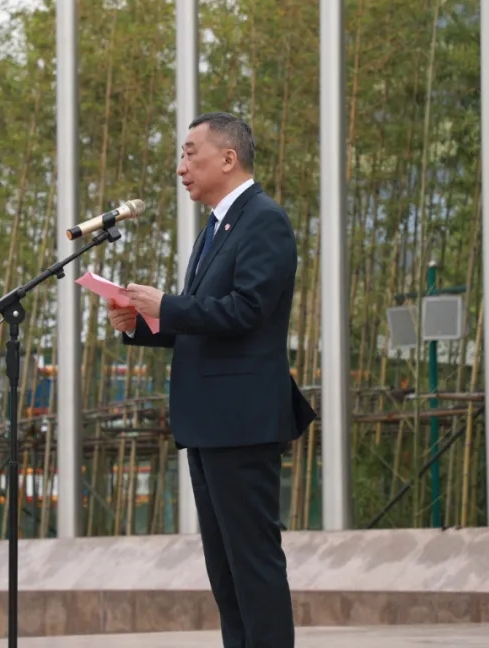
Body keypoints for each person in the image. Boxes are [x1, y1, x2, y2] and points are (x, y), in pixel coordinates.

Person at [108, 111, 316, 648]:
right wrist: (140, 324)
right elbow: (204, 324)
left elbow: (247, 310)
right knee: (224, 570)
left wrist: (167, 305)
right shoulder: (215, 228)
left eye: (189, 153)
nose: (181, 167)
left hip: (242, 420)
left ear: (228, 158)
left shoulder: (264, 220)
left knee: (252, 562)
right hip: (209, 422)